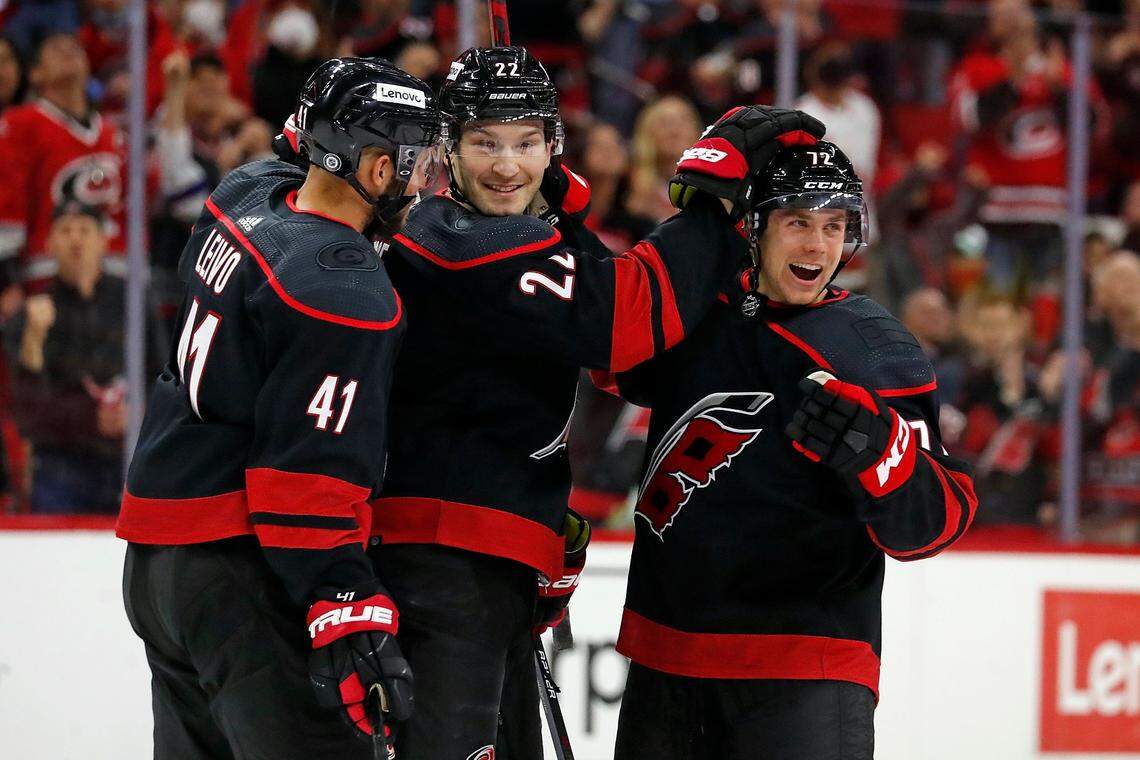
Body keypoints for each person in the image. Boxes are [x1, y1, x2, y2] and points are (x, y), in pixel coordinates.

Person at [369, 44, 825, 758]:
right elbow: (624, 323)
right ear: (446, 151)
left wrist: (537, 529)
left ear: (553, 146)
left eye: (525, 143)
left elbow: (596, 345)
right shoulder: (456, 242)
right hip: (442, 567)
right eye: (484, 142)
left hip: (485, 561)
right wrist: (710, 200)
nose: (506, 165)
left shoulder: (483, 236)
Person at [607, 140, 978, 759]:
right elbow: (594, 342)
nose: (817, 245)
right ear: (754, 226)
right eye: (797, 222)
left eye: (833, 226)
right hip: (665, 659)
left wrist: (880, 452)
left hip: (806, 667)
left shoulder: (872, 348)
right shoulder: (694, 312)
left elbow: (935, 525)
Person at [115, 58, 442, 758]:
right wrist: (345, 601)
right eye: (416, 163)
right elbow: (305, 486)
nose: (424, 182)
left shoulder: (246, 194)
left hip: (156, 559)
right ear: (379, 171)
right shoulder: (344, 291)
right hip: (241, 569)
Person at [8, 201, 144, 513]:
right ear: (49, 242)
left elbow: (164, 374)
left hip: (127, 459)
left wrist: (136, 411)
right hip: (61, 465)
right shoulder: (33, 314)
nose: (76, 240)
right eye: (66, 231)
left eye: (85, 230)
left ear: (103, 239)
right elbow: (27, 410)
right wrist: (33, 340)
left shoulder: (133, 302)